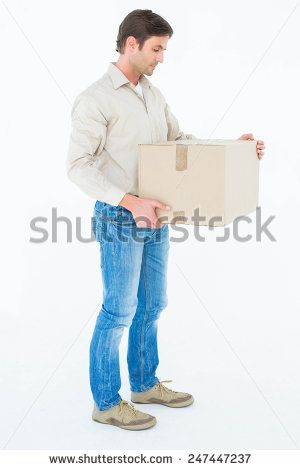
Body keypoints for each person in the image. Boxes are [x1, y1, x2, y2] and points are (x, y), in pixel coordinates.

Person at [66, 9, 265, 431]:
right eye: (157, 49)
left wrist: (235, 148)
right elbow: (78, 167)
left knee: (153, 304)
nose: (162, 58)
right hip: (120, 217)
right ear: (131, 44)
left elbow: (177, 144)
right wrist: (129, 200)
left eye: (165, 50)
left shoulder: (152, 94)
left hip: (157, 216)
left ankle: (143, 384)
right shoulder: (96, 98)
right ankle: (106, 402)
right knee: (119, 310)